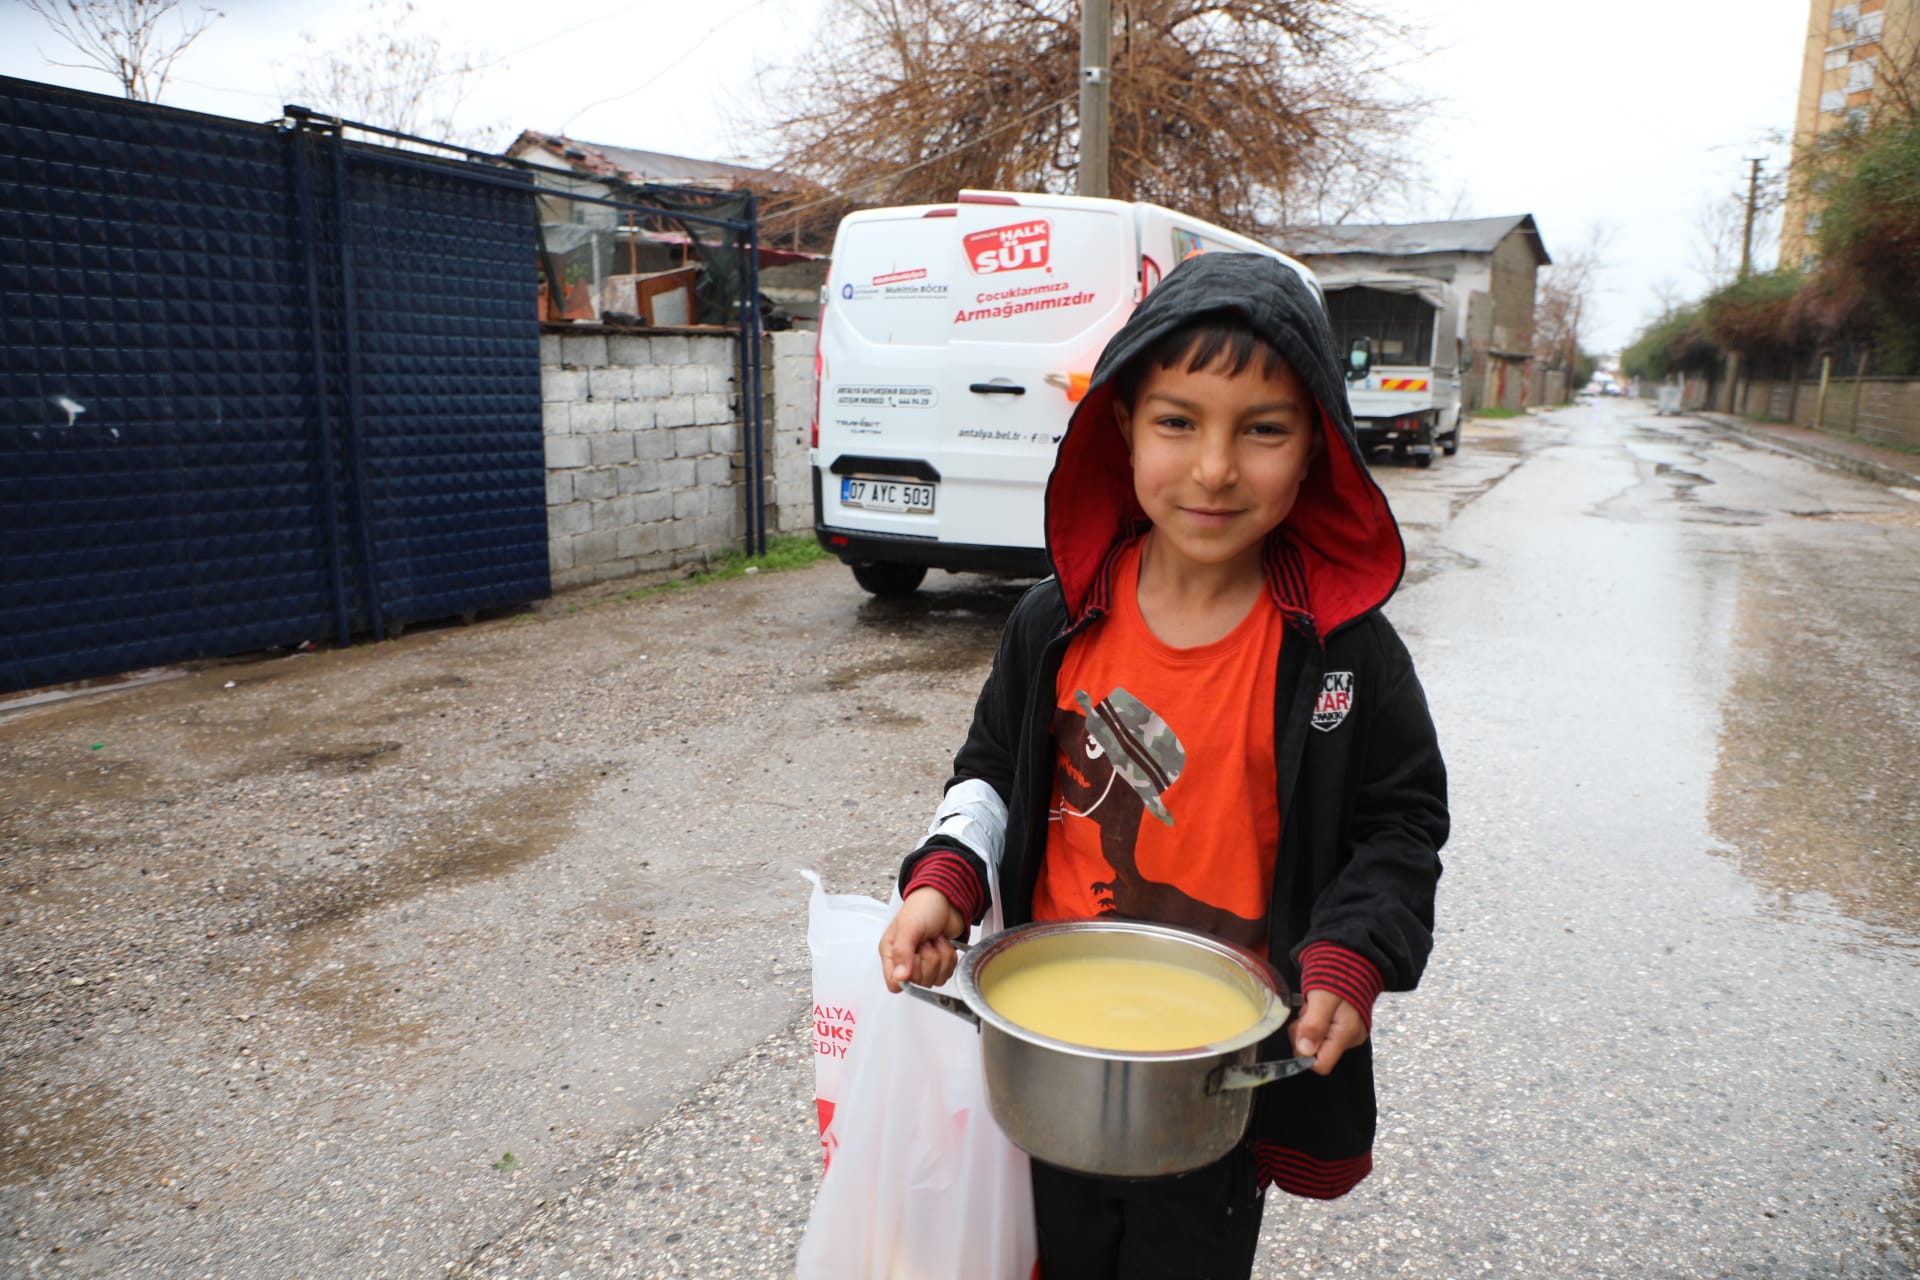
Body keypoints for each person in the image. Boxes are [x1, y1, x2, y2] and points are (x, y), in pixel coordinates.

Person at [876, 251, 1448, 1279]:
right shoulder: (1055, 619)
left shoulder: (1345, 652)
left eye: (1263, 428)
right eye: (1178, 421)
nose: (1216, 468)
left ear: (1319, 445)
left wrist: (1354, 952)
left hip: (1215, 1076)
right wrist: (945, 878)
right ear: (1123, 428)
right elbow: (989, 767)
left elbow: (1400, 826)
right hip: (1048, 1060)